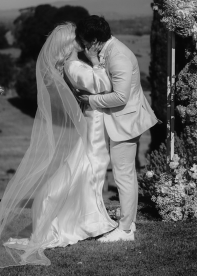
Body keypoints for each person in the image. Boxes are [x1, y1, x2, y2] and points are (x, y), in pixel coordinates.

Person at [0, 23, 117, 268]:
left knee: (86, 169)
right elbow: (103, 86)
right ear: (68, 45)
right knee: (91, 167)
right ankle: (90, 220)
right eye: (76, 39)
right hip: (95, 126)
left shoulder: (72, 65)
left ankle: (90, 216)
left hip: (94, 121)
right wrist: (97, 62)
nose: (82, 41)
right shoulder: (75, 66)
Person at [76, 15, 158, 242]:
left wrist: (90, 100)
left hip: (125, 122)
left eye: (84, 41)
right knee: (126, 174)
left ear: (94, 40)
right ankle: (128, 223)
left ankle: (124, 229)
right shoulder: (108, 50)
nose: (83, 47)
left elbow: (120, 97)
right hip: (122, 120)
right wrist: (94, 61)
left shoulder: (118, 55)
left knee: (123, 175)